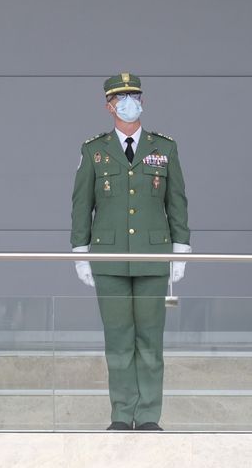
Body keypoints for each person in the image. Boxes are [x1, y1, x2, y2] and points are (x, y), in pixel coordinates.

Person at [70, 73, 190, 432]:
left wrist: (181, 249)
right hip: (109, 258)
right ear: (108, 106)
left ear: (142, 101)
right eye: (121, 98)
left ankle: (149, 415)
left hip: (154, 256)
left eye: (134, 95)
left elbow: (177, 202)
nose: (128, 102)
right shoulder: (93, 150)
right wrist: (80, 251)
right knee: (118, 340)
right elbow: (82, 204)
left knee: (151, 340)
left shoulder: (164, 147)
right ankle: (122, 414)